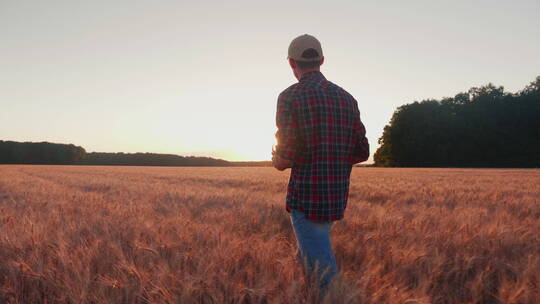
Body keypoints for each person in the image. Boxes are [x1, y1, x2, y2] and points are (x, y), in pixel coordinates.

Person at [272, 34, 370, 293]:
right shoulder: (347, 99)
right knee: (309, 256)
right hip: (335, 196)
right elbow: (362, 151)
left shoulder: (290, 97)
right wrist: (333, 156)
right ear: (322, 60)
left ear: (291, 62)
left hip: (306, 197)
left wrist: (278, 160)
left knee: (323, 271)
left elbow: (287, 154)